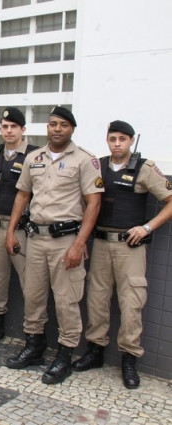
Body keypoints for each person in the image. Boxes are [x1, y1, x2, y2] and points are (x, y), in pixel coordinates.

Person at [4, 106, 103, 385]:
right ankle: (34, 347)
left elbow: (93, 203)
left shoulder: (85, 160)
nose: (56, 129)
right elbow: (22, 196)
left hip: (66, 241)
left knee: (66, 300)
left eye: (62, 125)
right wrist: (11, 232)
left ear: (72, 129)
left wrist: (79, 243)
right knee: (33, 296)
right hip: (35, 239)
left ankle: (64, 356)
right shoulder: (34, 157)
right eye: (52, 124)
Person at [72, 120, 172, 389]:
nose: (117, 143)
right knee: (97, 300)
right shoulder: (99, 167)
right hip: (101, 244)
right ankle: (95, 351)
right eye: (112, 138)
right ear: (107, 140)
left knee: (131, 304)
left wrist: (147, 226)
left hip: (130, 247)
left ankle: (129, 358)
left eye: (122, 139)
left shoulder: (144, 169)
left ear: (131, 141)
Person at [0, 108, 38, 348]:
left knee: (30, 283)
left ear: (23, 130)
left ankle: (33, 335)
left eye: (13, 127)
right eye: (4, 126)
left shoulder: (35, 156)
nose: (8, 131)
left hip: (23, 231)